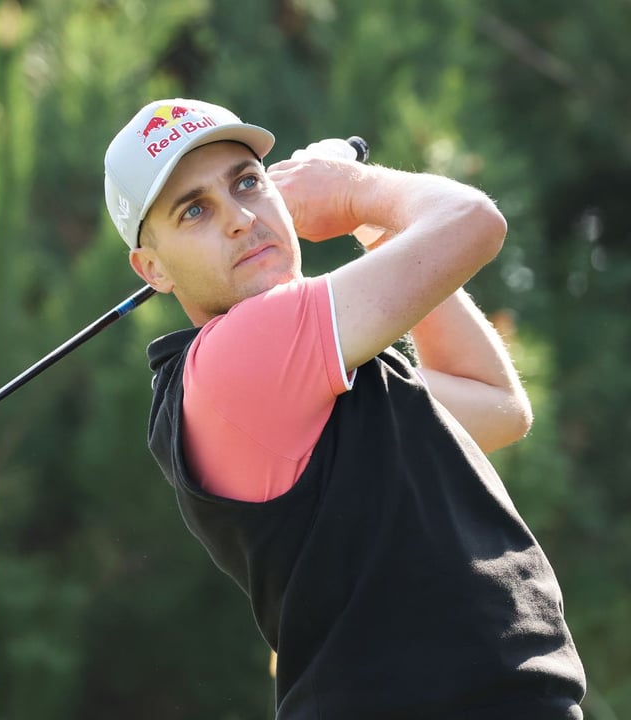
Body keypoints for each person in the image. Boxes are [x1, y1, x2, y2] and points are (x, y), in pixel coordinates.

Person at [103, 98, 586, 718]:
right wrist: (354, 191)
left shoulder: (309, 372)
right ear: (152, 269)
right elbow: (474, 221)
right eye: (194, 210)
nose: (240, 219)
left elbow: (496, 405)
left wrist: (370, 223)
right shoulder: (241, 355)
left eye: (247, 183)